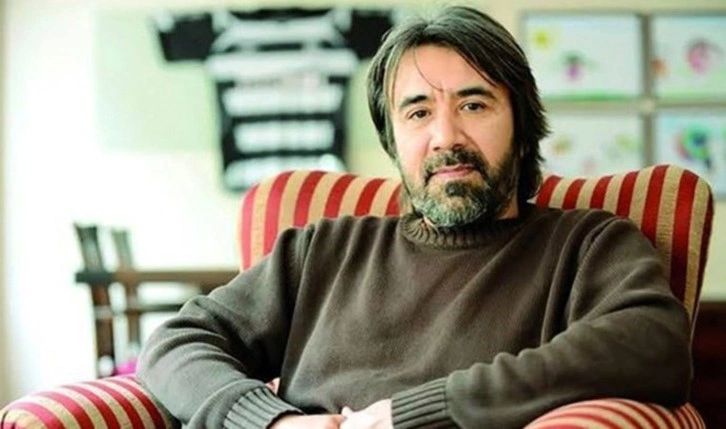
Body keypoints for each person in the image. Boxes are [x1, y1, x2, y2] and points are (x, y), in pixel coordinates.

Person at [137, 6, 692, 429]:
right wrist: (271, 421)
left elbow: (653, 345)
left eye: (473, 105)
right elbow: (176, 343)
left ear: (522, 130)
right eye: (419, 112)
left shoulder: (586, 244)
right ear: (393, 141)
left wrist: (421, 411)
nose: (445, 136)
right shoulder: (322, 250)